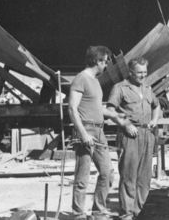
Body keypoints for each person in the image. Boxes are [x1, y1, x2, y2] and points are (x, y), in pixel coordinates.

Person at [69, 46, 123, 220]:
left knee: (107, 173)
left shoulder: (95, 81)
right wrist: (83, 133)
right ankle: (78, 214)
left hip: (99, 131)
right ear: (97, 61)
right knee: (82, 176)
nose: (106, 65)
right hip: (86, 129)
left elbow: (97, 107)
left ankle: (98, 212)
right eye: (105, 61)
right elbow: (72, 108)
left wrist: (115, 114)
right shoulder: (81, 79)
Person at [107, 57, 161, 220]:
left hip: (147, 134)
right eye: (139, 73)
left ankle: (140, 211)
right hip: (129, 135)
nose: (143, 75)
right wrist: (124, 124)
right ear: (130, 72)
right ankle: (127, 213)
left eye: (145, 72)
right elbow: (110, 110)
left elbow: (156, 105)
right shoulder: (120, 88)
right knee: (129, 175)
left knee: (145, 177)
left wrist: (154, 120)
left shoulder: (147, 88)